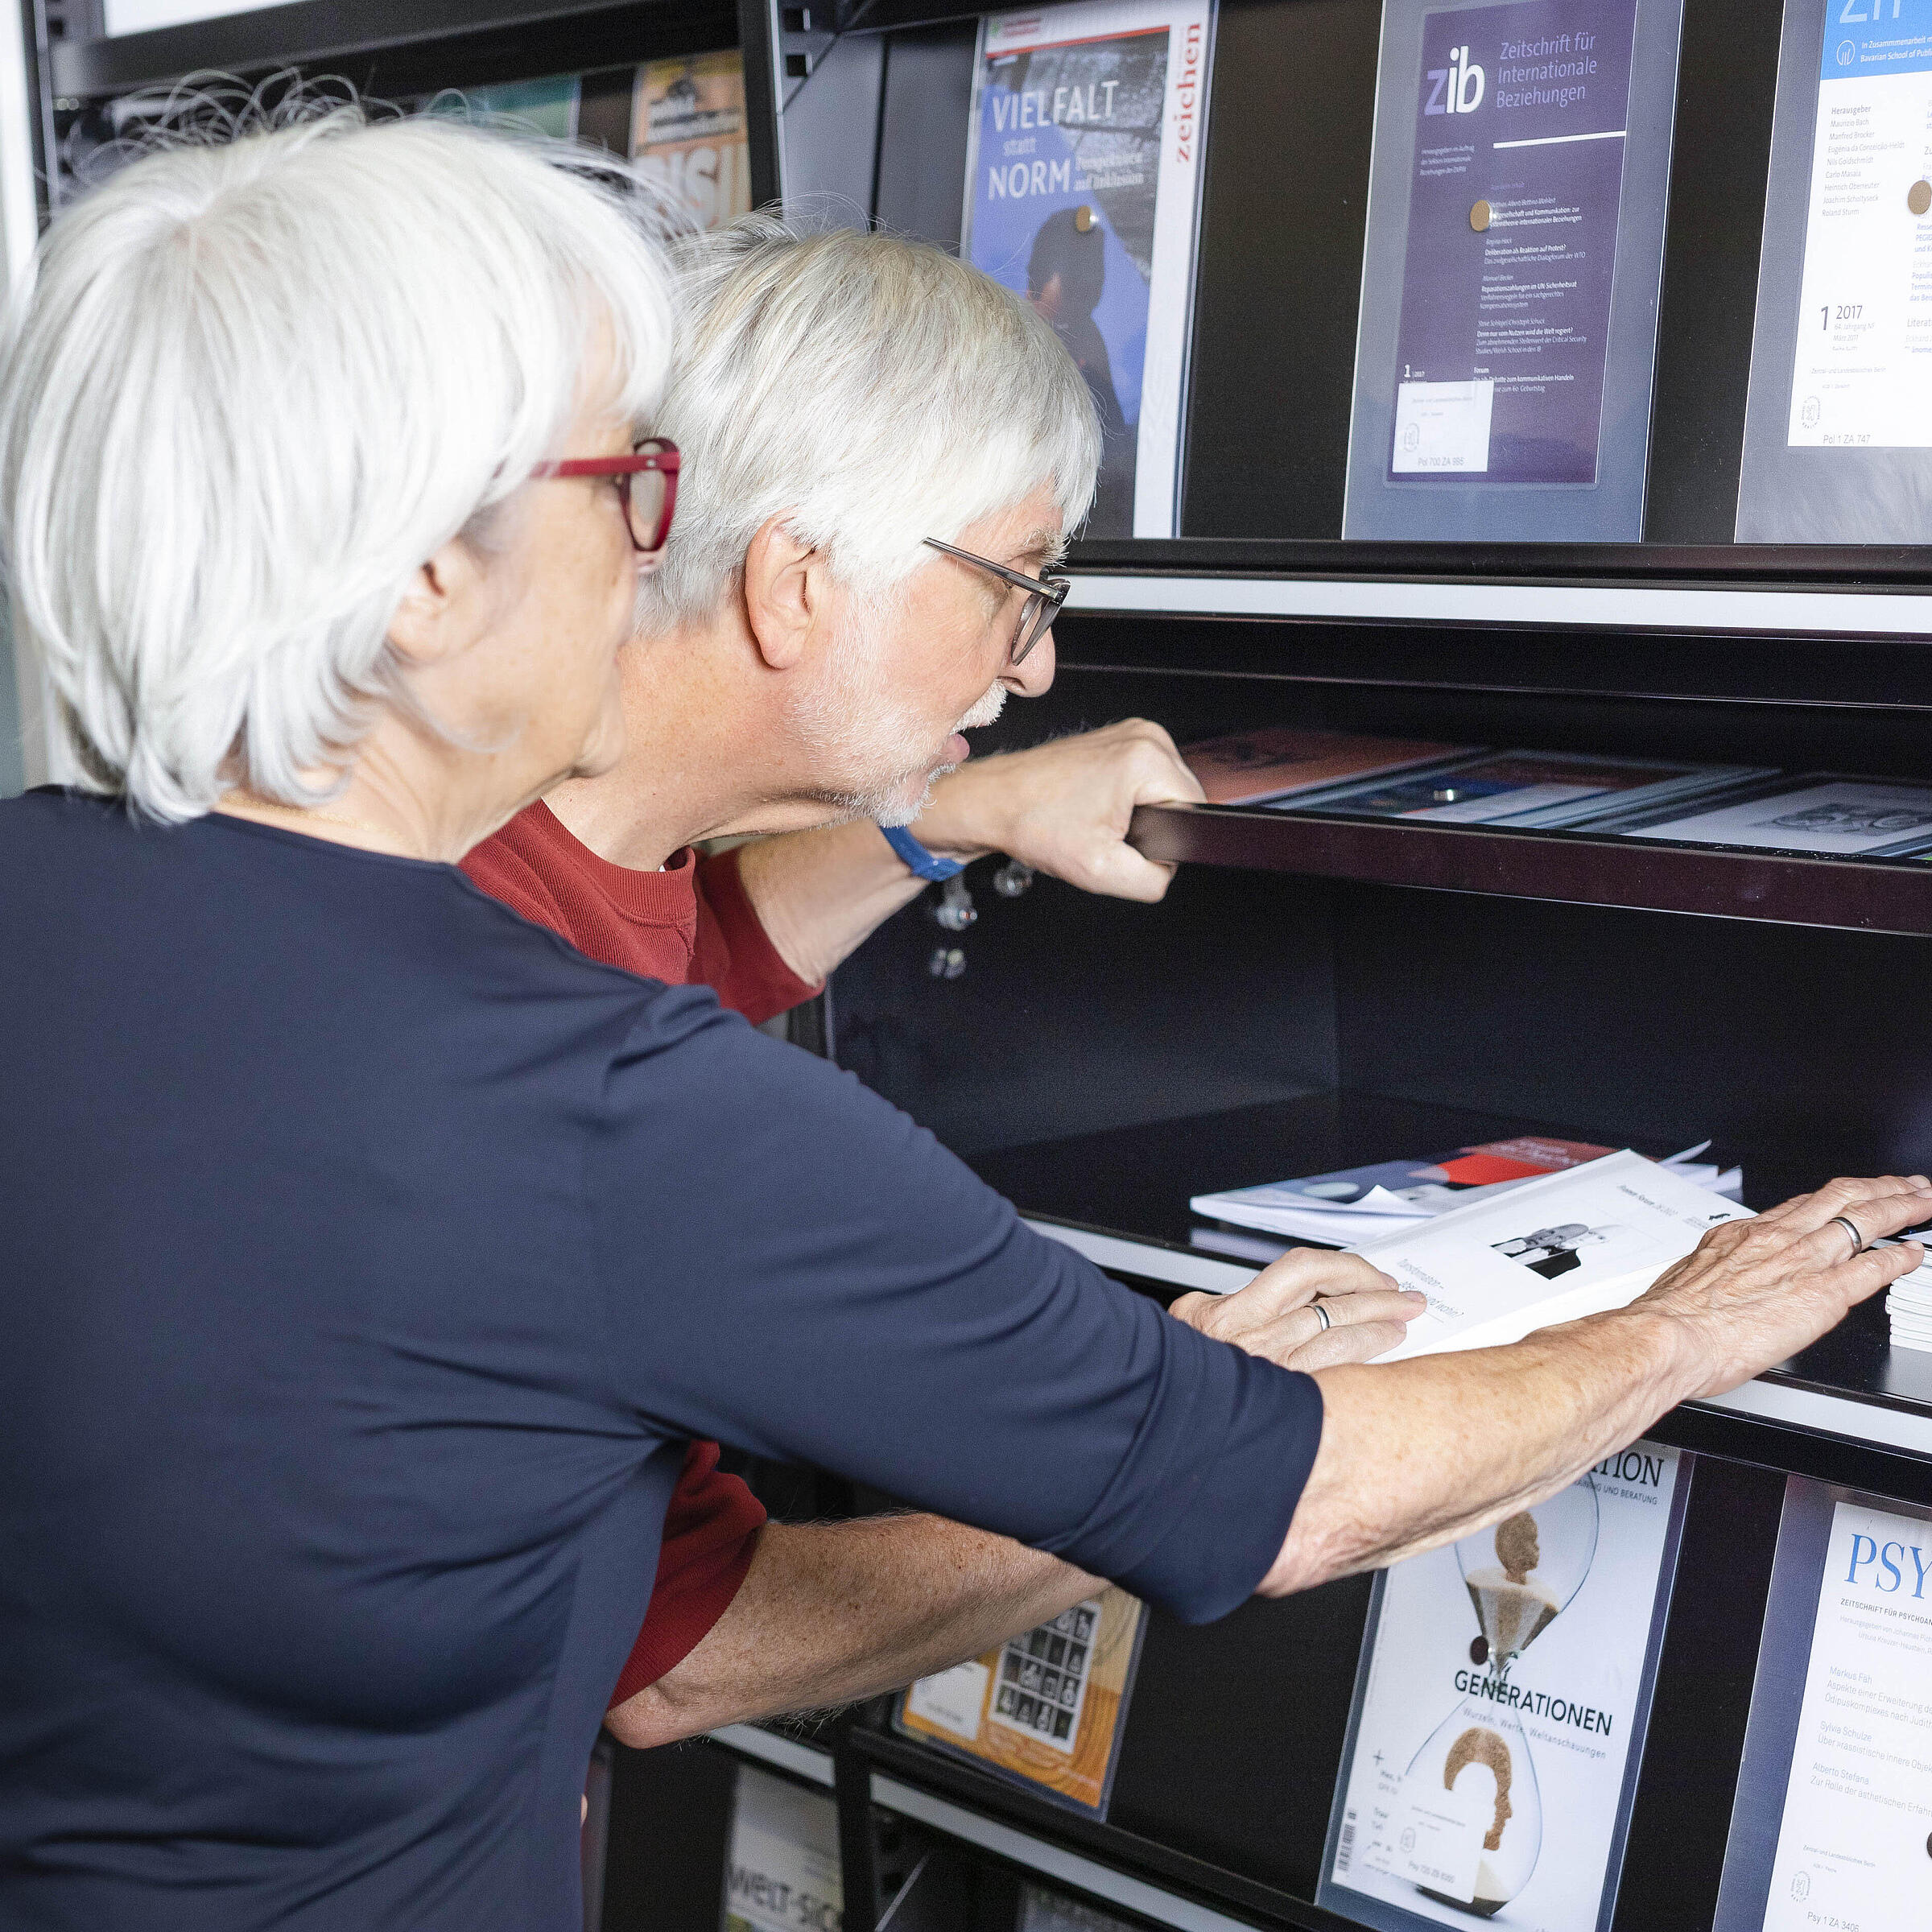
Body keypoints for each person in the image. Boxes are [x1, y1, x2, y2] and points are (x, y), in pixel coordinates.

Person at [2, 111, 1926, 1932]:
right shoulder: (594, 1109)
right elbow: (1289, 1495)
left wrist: (929, 808)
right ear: (429, 575)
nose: (654, 545)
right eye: (624, 483)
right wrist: (1690, 1323)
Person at [456, 219, 1399, 1749]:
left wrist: (945, 809)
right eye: (1016, 581)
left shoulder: (524, 833)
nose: (1031, 670)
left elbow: (706, 952)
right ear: (798, 581)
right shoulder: (544, 1037)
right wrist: (1138, 1463)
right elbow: (683, 1655)